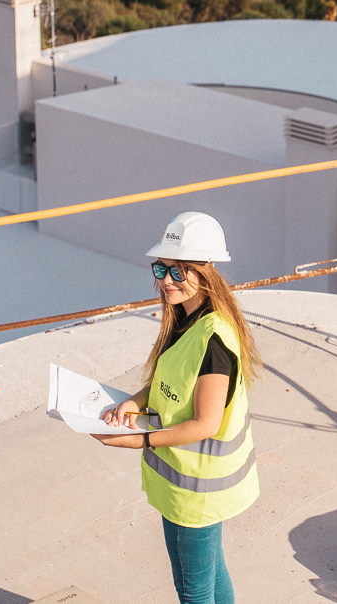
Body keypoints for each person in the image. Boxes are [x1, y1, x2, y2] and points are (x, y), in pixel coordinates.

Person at [96, 211, 261, 604]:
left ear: (207, 272)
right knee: (210, 573)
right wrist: (132, 404)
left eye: (178, 271)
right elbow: (173, 382)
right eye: (161, 268)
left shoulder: (214, 337)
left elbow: (206, 423)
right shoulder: (187, 318)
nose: (165, 280)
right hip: (186, 486)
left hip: (196, 491)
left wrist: (137, 441)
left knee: (193, 590)